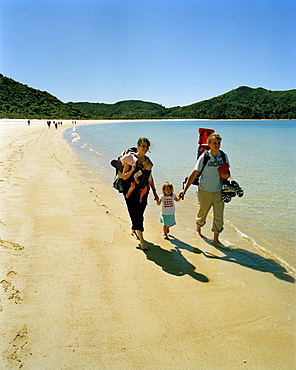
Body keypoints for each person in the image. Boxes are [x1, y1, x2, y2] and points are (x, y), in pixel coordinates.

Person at [179, 133, 230, 244]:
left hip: (218, 191)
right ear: (209, 144)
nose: (217, 145)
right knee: (202, 212)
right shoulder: (204, 157)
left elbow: (228, 173)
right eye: (214, 143)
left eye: (218, 143)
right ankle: (198, 230)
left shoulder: (224, 156)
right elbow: (194, 174)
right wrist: (184, 190)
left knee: (219, 216)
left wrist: (225, 175)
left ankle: (216, 239)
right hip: (204, 190)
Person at [121, 138, 159, 250]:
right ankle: (142, 242)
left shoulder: (147, 160)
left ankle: (134, 229)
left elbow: (150, 178)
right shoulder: (130, 158)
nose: (145, 148)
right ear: (138, 146)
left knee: (140, 213)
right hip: (130, 191)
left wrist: (155, 193)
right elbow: (124, 176)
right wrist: (132, 170)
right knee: (136, 214)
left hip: (143, 192)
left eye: (147, 146)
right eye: (143, 146)